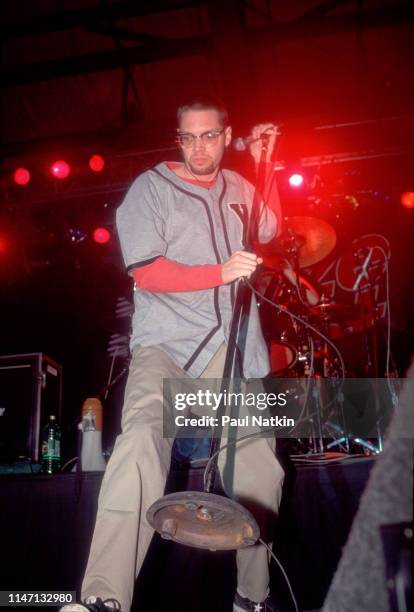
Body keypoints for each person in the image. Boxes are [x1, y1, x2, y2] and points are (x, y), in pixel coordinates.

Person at [61, 96, 285, 612]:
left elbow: (268, 226)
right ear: (178, 139)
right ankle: (103, 598)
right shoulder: (152, 188)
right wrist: (218, 273)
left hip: (232, 346)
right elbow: (146, 269)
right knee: (140, 439)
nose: (198, 147)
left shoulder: (241, 187)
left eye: (209, 136)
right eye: (188, 137)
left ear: (227, 137)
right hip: (166, 344)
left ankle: (251, 597)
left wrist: (266, 163)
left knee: (260, 471)